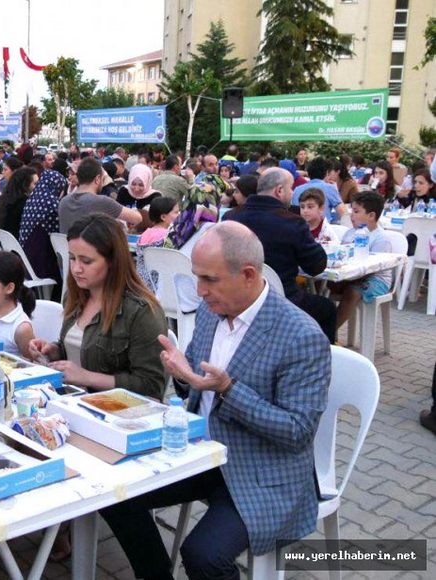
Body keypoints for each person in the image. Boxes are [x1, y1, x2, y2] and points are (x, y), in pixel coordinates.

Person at [102, 221, 329, 580]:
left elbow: (297, 432)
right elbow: (195, 385)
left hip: (262, 470)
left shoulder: (300, 335)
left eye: (209, 279)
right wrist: (181, 374)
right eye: (197, 277)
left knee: (204, 555)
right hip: (202, 452)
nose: (199, 291)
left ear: (249, 275)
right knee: (113, 494)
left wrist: (228, 389)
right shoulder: (212, 311)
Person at [28, 213, 167, 397]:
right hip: (70, 400)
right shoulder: (75, 296)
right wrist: (53, 351)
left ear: (112, 261)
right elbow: (78, 348)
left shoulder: (141, 311)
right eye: (72, 258)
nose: (77, 268)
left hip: (115, 413)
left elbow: (151, 385)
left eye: (86, 261)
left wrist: (87, 377)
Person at [224, 168, 336, 343]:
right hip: (281, 300)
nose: (292, 193)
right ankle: (318, 359)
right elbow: (316, 266)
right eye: (291, 188)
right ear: (279, 190)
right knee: (327, 308)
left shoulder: (231, 217)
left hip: (237, 297)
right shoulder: (292, 222)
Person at [332, 192, 393, 331]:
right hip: (352, 274)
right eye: (351, 210)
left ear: (371, 215)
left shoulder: (380, 238)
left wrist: (348, 279)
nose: (351, 215)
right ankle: (319, 327)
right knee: (322, 284)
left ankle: (330, 331)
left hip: (376, 279)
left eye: (356, 211)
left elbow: (375, 267)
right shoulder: (350, 233)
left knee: (352, 292)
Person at [58, 158, 142, 233]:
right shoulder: (101, 201)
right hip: (92, 249)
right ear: (97, 179)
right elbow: (138, 218)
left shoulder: (63, 202)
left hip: (68, 249)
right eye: (103, 179)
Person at [291, 157, 346, 224]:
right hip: (321, 230)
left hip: (300, 229)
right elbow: (343, 213)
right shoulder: (329, 188)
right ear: (327, 173)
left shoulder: (297, 189)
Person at [0, 166, 38, 238]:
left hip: (2, 242)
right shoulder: (25, 204)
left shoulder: (3, 199)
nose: (38, 187)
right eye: (35, 184)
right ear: (25, 185)